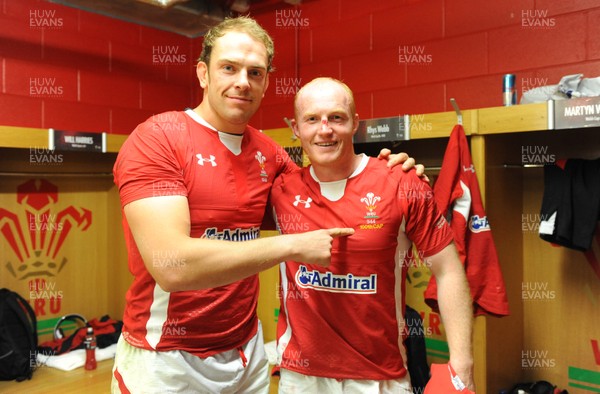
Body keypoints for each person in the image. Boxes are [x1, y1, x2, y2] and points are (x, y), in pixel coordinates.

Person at [111, 16, 420, 393]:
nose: (243, 81)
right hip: (165, 357)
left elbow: (329, 199)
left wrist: (394, 173)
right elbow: (171, 266)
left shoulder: (270, 154)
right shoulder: (158, 139)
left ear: (266, 83)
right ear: (203, 73)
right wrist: (291, 246)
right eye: (229, 68)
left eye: (255, 72)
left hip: (247, 353)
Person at [271, 77, 476, 393]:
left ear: (354, 123)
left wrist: (462, 364)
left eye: (336, 118)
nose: (324, 129)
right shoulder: (280, 190)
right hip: (301, 378)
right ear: (296, 129)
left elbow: (448, 271)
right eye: (311, 119)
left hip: (381, 378)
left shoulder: (402, 183)